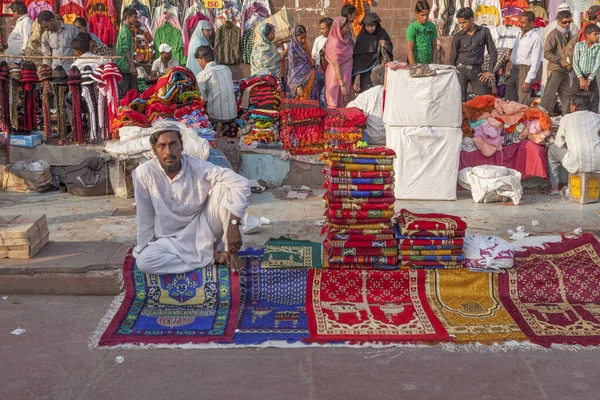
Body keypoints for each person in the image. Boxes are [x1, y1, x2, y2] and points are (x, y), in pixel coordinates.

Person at [132, 122, 251, 274]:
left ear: (181, 145)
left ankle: (222, 252)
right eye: (162, 146)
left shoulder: (198, 167)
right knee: (144, 262)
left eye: (173, 144)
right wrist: (143, 249)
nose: (169, 151)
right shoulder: (144, 173)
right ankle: (211, 257)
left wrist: (234, 224)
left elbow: (242, 183)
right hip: (169, 241)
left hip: (203, 231)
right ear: (154, 150)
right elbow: (145, 217)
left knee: (224, 187)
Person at [545, 93, 600, 195]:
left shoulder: (567, 118)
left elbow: (559, 143)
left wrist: (553, 141)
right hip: (598, 163)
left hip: (577, 162)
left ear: (574, 106)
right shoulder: (597, 117)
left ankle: (554, 187)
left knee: (552, 149)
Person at [450, 7, 497, 102]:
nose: (461, 26)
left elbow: (493, 52)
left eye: (464, 22)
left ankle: (481, 117)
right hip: (461, 71)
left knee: (484, 101)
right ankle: (461, 117)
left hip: (477, 71)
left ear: (471, 20)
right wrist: (453, 73)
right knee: (459, 100)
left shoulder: (484, 32)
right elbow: (453, 57)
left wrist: (489, 71)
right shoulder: (458, 36)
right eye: (460, 23)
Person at [195, 46, 237, 136]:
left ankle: (218, 124)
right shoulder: (226, 69)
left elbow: (202, 99)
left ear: (203, 60)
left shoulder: (203, 74)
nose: (199, 64)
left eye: (198, 61)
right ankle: (223, 125)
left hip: (215, 117)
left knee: (198, 105)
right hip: (233, 114)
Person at [540, 10, 573, 115]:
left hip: (565, 70)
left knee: (567, 97)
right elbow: (547, 53)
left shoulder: (568, 33)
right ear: (558, 21)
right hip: (555, 70)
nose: (567, 24)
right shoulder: (554, 34)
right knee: (549, 96)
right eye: (564, 22)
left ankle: (567, 119)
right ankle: (540, 119)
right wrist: (561, 62)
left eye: (569, 22)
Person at [506, 11, 544, 105]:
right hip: (514, 69)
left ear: (531, 23)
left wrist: (528, 80)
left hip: (525, 71)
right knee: (509, 101)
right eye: (520, 22)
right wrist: (510, 70)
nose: (520, 25)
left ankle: (521, 120)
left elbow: (536, 62)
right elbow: (514, 54)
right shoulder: (519, 35)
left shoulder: (536, 39)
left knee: (522, 102)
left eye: (523, 23)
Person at [352, 12, 393, 94]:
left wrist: (385, 45)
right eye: (367, 26)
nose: (370, 29)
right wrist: (357, 77)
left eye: (372, 26)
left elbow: (390, 47)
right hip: (364, 73)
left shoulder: (382, 33)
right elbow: (358, 58)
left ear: (376, 25)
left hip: (378, 69)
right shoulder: (361, 36)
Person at [347, 64, 386, 145]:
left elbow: (349, 110)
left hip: (370, 138)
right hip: (391, 137)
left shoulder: (366, 95)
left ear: (372, 79)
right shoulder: (395, 94)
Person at [325, 16, 353, 108]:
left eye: (349, 26)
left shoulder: (345, 39)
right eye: (346, 27)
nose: (349, 29)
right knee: (334, 104)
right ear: (338, 29)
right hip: (336, 77)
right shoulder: (334, 43)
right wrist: (342, 85)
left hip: (345, 75)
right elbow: (336, 64)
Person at [572, 24, 600, 113]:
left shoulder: (598, 47)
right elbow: (575, 63)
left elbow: (597, 64)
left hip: (591, 76)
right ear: (587, 36)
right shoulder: (579, 45)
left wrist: (589, 80)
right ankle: (573, 117)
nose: (597, 36)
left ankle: (593, 118)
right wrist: (581, 78)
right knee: (575, 96)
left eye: (598, 34)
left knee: (594, 98)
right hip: (579, 75)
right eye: (595, 34)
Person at [286, 25, 317, 100]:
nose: (303, 40)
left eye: (305, 37)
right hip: (298, 83)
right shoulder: (292, 50)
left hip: (309, 80)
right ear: (295, 37)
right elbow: (292, 68)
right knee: (299, 108)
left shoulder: (304, 47)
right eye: (301, 38)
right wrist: (298, 86)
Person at [115, 7, 138, 98]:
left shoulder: (128, 30)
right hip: (124, 67)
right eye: (134, 17)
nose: (136, 19)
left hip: (126, 67)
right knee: (125, 94)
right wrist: (132, 66)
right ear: (128, 17)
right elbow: (125, 49)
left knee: (132, 93)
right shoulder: (125, 31)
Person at [406, 0, 437, 65]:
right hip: (416, 64)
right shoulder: (411, 28)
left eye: (427, 14)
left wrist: (434, 64)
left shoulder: (432, 27)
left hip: (429, 65)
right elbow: (410, 51)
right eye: (422, 15)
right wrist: (414, 67)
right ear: (416, 13)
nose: (425, 17)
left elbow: (434, 48)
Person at [312, 17, 333, 98]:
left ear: (330, 28)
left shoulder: (335, 41)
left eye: (323, 29)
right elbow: (313, 56)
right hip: (318, 72)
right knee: (317, 95)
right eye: (321, 28)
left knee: (327, 96)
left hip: (330, 71)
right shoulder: (318, 40)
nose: (321, 31)